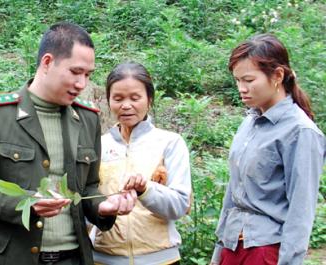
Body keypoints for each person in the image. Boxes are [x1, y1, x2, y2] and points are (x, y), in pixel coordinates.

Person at [0, 22, 137, 265]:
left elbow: (88, 187)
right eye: (75, 72)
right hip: (9, 257)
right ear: (47, 62)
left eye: (88, 75)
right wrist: (26, 202)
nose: (82, 84)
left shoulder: (87, 118)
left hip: (72, 257)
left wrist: (104, 206)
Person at [210, 33, 326, 265]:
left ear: (278, 76)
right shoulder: (249, 122)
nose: (241, 88)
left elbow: (300, 211)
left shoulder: (300, 131)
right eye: (237, 80)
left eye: (249, 80)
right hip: (232, 247)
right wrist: (218, 252)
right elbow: (233, 193)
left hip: (266, 250)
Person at [89, 61, 192, 265]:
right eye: (118, 98)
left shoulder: (170, 143)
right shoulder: (97, 145)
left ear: (149, 99)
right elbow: (88, 201)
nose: (126, 105)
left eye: (135, 98)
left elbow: (180, 205)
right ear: (108, 100)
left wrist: (146, 190)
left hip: (161, 260)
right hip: (104, 259)